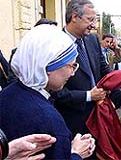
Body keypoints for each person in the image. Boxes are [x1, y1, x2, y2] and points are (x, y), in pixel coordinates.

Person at [0, 25, 95, 159]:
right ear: (48, 67)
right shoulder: (49, 120)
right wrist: (76, 153)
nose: (73, 73)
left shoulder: (7, 93)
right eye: (71, 65)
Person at [51, 0, 112, 137]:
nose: (94, 25)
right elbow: (54, 92)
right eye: (90, 20)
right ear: (74, 17)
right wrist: (88, 96)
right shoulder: (54, 45)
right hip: (72, 122)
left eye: (95, 20)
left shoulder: (92, 40)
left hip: (98, 115)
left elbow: (104, 69)